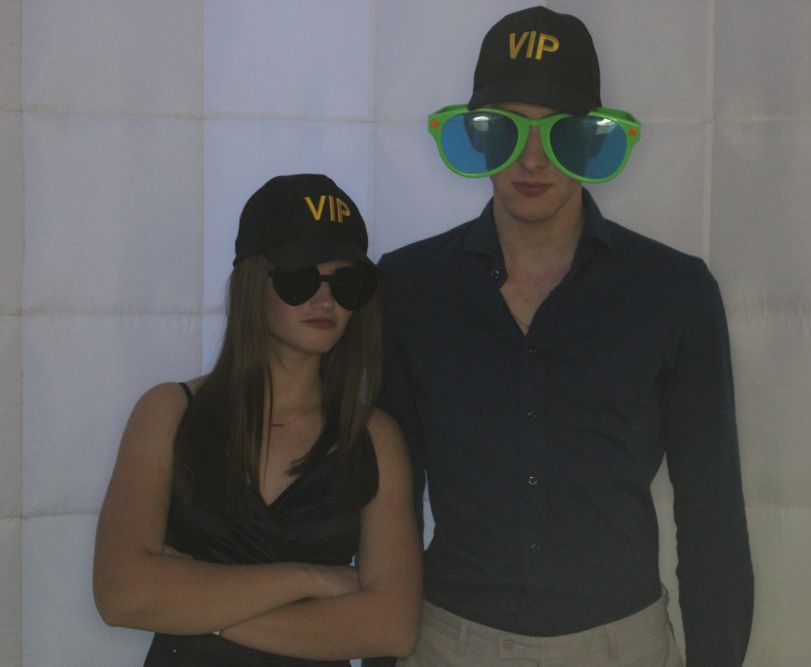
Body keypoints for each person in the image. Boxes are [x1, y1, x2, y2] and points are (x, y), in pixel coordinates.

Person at [377, 7, 753, 666]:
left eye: (560, 132)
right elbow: (388, 502)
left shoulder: (675, 292)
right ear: (477, 136)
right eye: (505, 129)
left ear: (592, 139)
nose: (532, 158)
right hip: (447, 644)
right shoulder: (409, 288)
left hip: (622, 646)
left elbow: (711, 510)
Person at [94, 174, 421, 666]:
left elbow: (392, 628)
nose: (325, 301)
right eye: (300, 278)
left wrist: (191, 604)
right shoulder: (168, 413)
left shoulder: (373, 436)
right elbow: (120, 594)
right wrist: (309, 579)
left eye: (347, 283)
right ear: (253, 282)